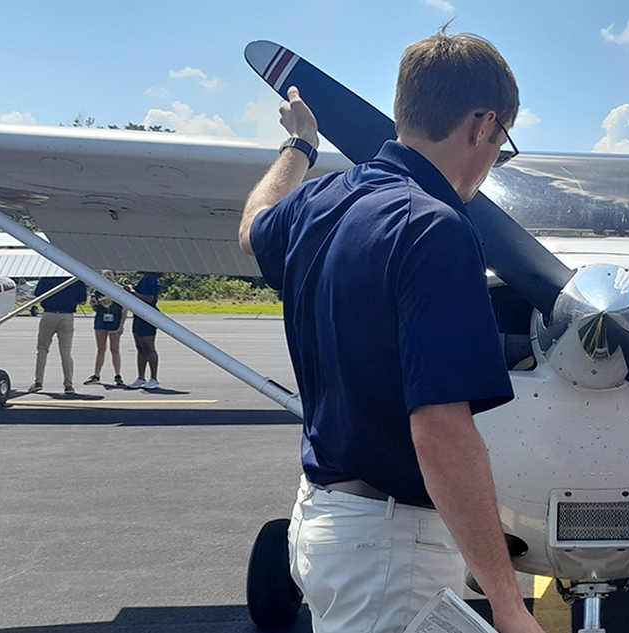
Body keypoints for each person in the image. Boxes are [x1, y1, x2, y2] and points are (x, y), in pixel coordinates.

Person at [237, 31, 541, 633]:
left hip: (323, 519)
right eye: (502, 140)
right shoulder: (436, 229)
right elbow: (441, 435)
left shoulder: (317, 203)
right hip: (391, 550)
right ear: (482, 125)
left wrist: (299, 145)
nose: (493, 156)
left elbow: (251, 230)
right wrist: (508, 605)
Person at [28, 276, 87, 393]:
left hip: (49, 314)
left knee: (42, 350)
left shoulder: (47, 276)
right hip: (67, 316)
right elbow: (83, 301)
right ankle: (68, 385)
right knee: (66, 352)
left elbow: (38, 294)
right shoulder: (76, 278)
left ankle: (38, 382)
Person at [84, 271, 126, 387]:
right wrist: (94, 304)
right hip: (101, 322)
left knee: (115, 349)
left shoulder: (119, 290)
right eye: (104, 276)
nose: (106, 278)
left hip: (115, 322)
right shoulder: (97, 290)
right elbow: (95, 307)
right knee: (101, 349)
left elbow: (124, 309)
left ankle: (118, 375)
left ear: (114, 277)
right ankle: (96, 375)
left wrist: (121, 325)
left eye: (109, 276)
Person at [123, 272, 161, 389]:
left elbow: (150, 298)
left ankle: (154, 378)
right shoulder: (144, 279)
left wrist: (132, 292)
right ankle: (141, 377)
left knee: (149, 346)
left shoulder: (151, 279)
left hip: (148, 315)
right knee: (140, 347)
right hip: (138, 315)